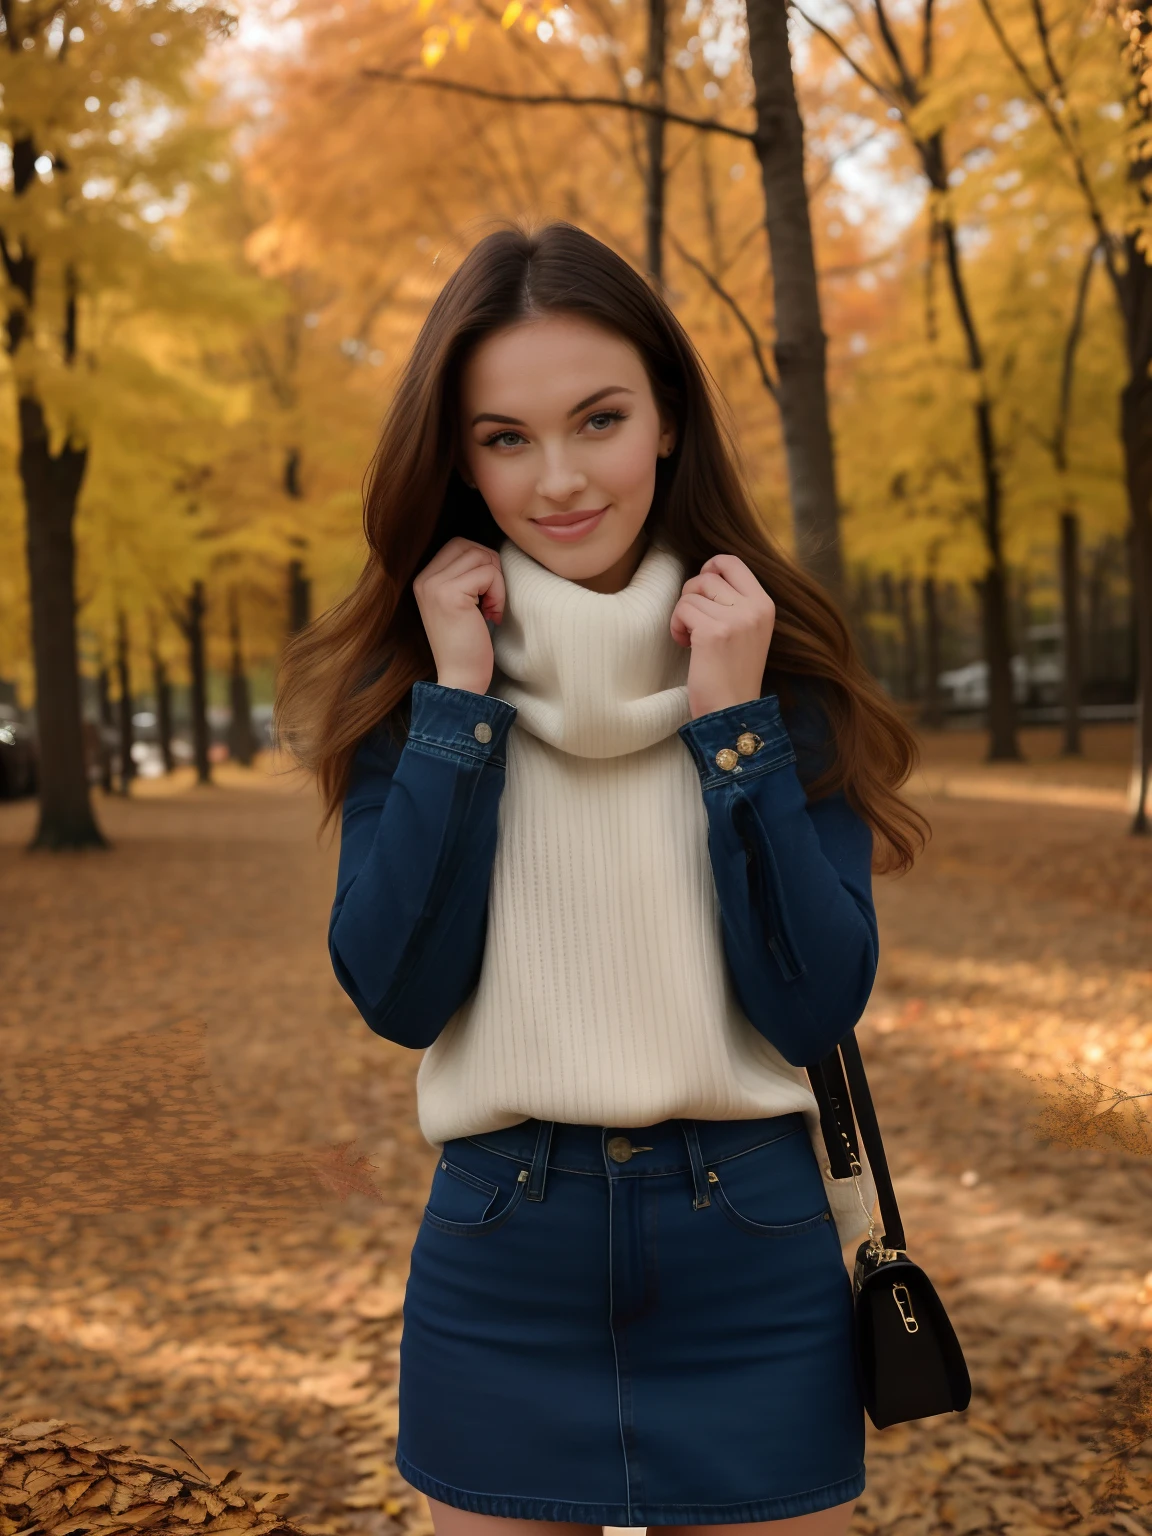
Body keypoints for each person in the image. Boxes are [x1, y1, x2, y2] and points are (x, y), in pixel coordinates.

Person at [276, 222, 927, 1536]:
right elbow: (398, 990)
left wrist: (731, 725)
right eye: (504, 437)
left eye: (599, 420)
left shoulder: (780, 675)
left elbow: (814, 1007)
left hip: (750, 1254)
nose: (558, 479)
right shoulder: (415, 691)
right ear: (456, 458)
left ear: (669, 418)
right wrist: (461, 703)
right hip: (501, 1261)